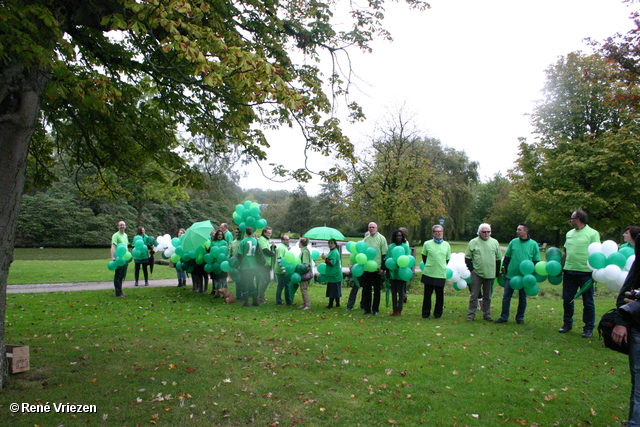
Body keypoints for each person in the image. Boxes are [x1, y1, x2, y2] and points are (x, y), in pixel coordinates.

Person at [613, 234, 640, 427]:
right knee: (638, 379)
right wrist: (621, 320)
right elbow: (627, 289)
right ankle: (634, 422)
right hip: (638, 325)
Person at [559, 209, 600, 337]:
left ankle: (588, 328)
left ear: (578, 219)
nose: (570, 221)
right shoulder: (569, 234)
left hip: (586, 273)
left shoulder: (592, 233)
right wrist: (562, 267)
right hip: (569, 271)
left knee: (588, 302)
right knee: (567, 299)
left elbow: (597, 254)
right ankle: (567, 324)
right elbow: (565, 251)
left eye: (571, 218)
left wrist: (596, 272)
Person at [495, 223, 540, 324]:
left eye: (519, 230)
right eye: (517, 229)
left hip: (525, 277)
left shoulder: (533, 244)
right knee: (506, 297)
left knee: (523, 299)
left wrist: (533, 275)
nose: (517, 231)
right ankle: (504, 317)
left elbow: (536, 261)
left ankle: (520, 318)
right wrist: (504, 270)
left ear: (525, 231)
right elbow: (507, 257)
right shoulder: (513, 242)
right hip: (511, 275)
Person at [465, 223, 502, 321]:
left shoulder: (494, 242)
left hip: (490, 273)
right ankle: (471, 315)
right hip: (476, 273)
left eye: (488, 232)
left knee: (487, 296)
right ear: (479, 232)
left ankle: (487, 314)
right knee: (474, 295)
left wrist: (497, 272)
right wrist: (472, 270)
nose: (486, 234)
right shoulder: (473, 242)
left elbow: (498, 259)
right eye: (484, 232)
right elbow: (467, 258)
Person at [421, 225, 451, 319]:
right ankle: (425, 313)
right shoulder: (427, 244)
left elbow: (447, 259)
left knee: (439, 295)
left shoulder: (446, 245)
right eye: (436, 231)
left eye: (440, 231)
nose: (438, 233)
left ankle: (438, 314)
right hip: (429, 272)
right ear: (433, 233)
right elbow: (424, 257)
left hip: (440, 273)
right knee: (427, 295)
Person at [360, 222, 388, 315]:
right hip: (367, 268)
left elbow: (384, 254)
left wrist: (383, 268)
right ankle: (367, 309)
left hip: (377, 269)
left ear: (376, 228)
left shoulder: (381, 238)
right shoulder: (365, 239)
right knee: (367, 290)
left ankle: (375, 309)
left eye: (373, 227)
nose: (371, 229)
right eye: (370, 227)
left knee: (376, 290)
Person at [388, 229, 411, 316]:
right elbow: (388, 258)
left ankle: (399, 309)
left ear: (402, 237)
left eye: (400, 236)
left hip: (402, 272)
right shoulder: (391, 247)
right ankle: (394, 309)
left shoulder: (405, 246)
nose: (398, 237)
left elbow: (407, 258)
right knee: (393, 291)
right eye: (397, 236)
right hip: (393, 272)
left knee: (401, 292)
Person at [237, 226, 260, 306]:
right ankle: (255, 300)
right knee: (251, 283)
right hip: (254, 266)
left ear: (245, 233)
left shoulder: (243, 241)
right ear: (253, 232)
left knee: (244, 283)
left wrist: (237, 264)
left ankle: (246, 302)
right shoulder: (256, 241)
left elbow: (240, 254)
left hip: (245, 266)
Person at [257, 226, 276, 303]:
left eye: (271, 233)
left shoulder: (265, 240)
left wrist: (273, 247)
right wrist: (273, 253)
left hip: (266, 264)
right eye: (268, 233)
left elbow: (267, 249)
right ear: (264, 232)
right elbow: (265, 251)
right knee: (265, 281)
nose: (269, 235)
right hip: (263, 264)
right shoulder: (262, 239)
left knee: (262, 281)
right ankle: (260, 298)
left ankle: (261, 296)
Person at [322, 238, 343, 308]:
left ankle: (331, 304)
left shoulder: (334, 252)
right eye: (329, 243)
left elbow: (332, 263)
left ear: (335, 244)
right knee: (336, 290)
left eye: (332, 243)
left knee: (332, 290)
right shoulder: (333, 251)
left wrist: (325, 258)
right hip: (334, 275)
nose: (330, 245)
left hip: (334, 275)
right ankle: (337, 304)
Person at [110, 221, 129, 297]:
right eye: (120, 225)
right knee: (118, 275)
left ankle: (120, 291)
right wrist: (113, 257)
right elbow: (113, 246)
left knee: (122, 275)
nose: (122, 226)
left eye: (123, 225)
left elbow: (126, 248)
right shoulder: (115, 235)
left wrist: (128, 258)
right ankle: (118, 293)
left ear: (125, 226)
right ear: (118, 226)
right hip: (118, 258)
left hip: (124, 258)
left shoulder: (125, 235)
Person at [210, 229, 229, 295]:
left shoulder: (224, 242)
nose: (220, 236)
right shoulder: (213, 242)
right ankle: (217, 293)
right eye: (218, 234)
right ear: (216, 235)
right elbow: (211, 252)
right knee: (216, 280)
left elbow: (226, 252)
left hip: (223, 263)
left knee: (223, 280)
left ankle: (225, 293)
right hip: (215, 263)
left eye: (221, 234)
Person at [274, 235, 292, 305]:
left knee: (284, 285)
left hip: (284, 270)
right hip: (280, 271)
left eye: (288, 239)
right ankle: (282, 301)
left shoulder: (285, 247)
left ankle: (286, 301)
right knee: (282, 286)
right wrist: (284, 270)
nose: (288, 241)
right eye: (286, 240)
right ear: (282, 240)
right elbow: (279, 259)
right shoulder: (281, 247)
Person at [298, 237, 313, 310]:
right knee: (302, 288)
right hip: (303, 273)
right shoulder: (304, 250)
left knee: (304, 289)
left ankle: (307, 304)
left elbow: (305, 264)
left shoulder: (305, 251)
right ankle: (305, 303)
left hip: (305, 273)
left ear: (301, 243)